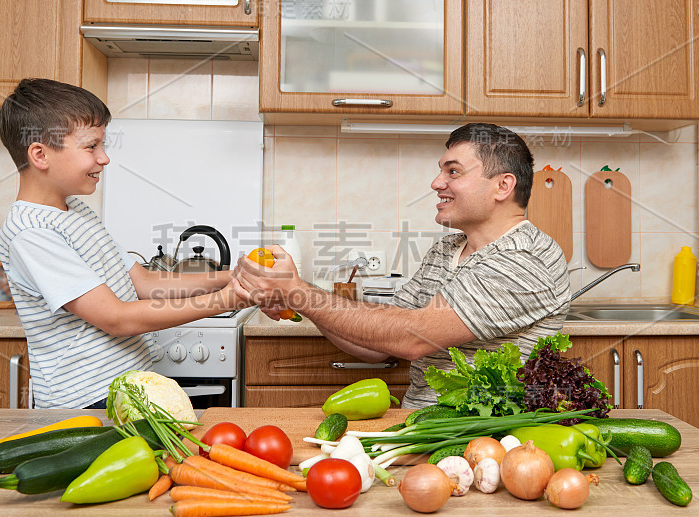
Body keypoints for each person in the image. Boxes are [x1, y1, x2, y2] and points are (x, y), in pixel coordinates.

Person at [234, 123, 570, 408]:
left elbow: (412, 337)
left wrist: (301, 293)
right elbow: (375, 346)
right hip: (420, 428)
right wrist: (300, 300)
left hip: (482, 441)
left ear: (502, 186)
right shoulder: (447, 249)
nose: (437, 183)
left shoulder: (524, 258)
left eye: (453, 171)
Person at [0, 78, 251, 410]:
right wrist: (227, 299)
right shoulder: (32, 233)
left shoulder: (75, 211)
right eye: (91, 147)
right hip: (85, 404)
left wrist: (230, 278)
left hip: (124, 392)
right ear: (41, 155)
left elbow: (143, 282)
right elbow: (117, 318)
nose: (104, 159)